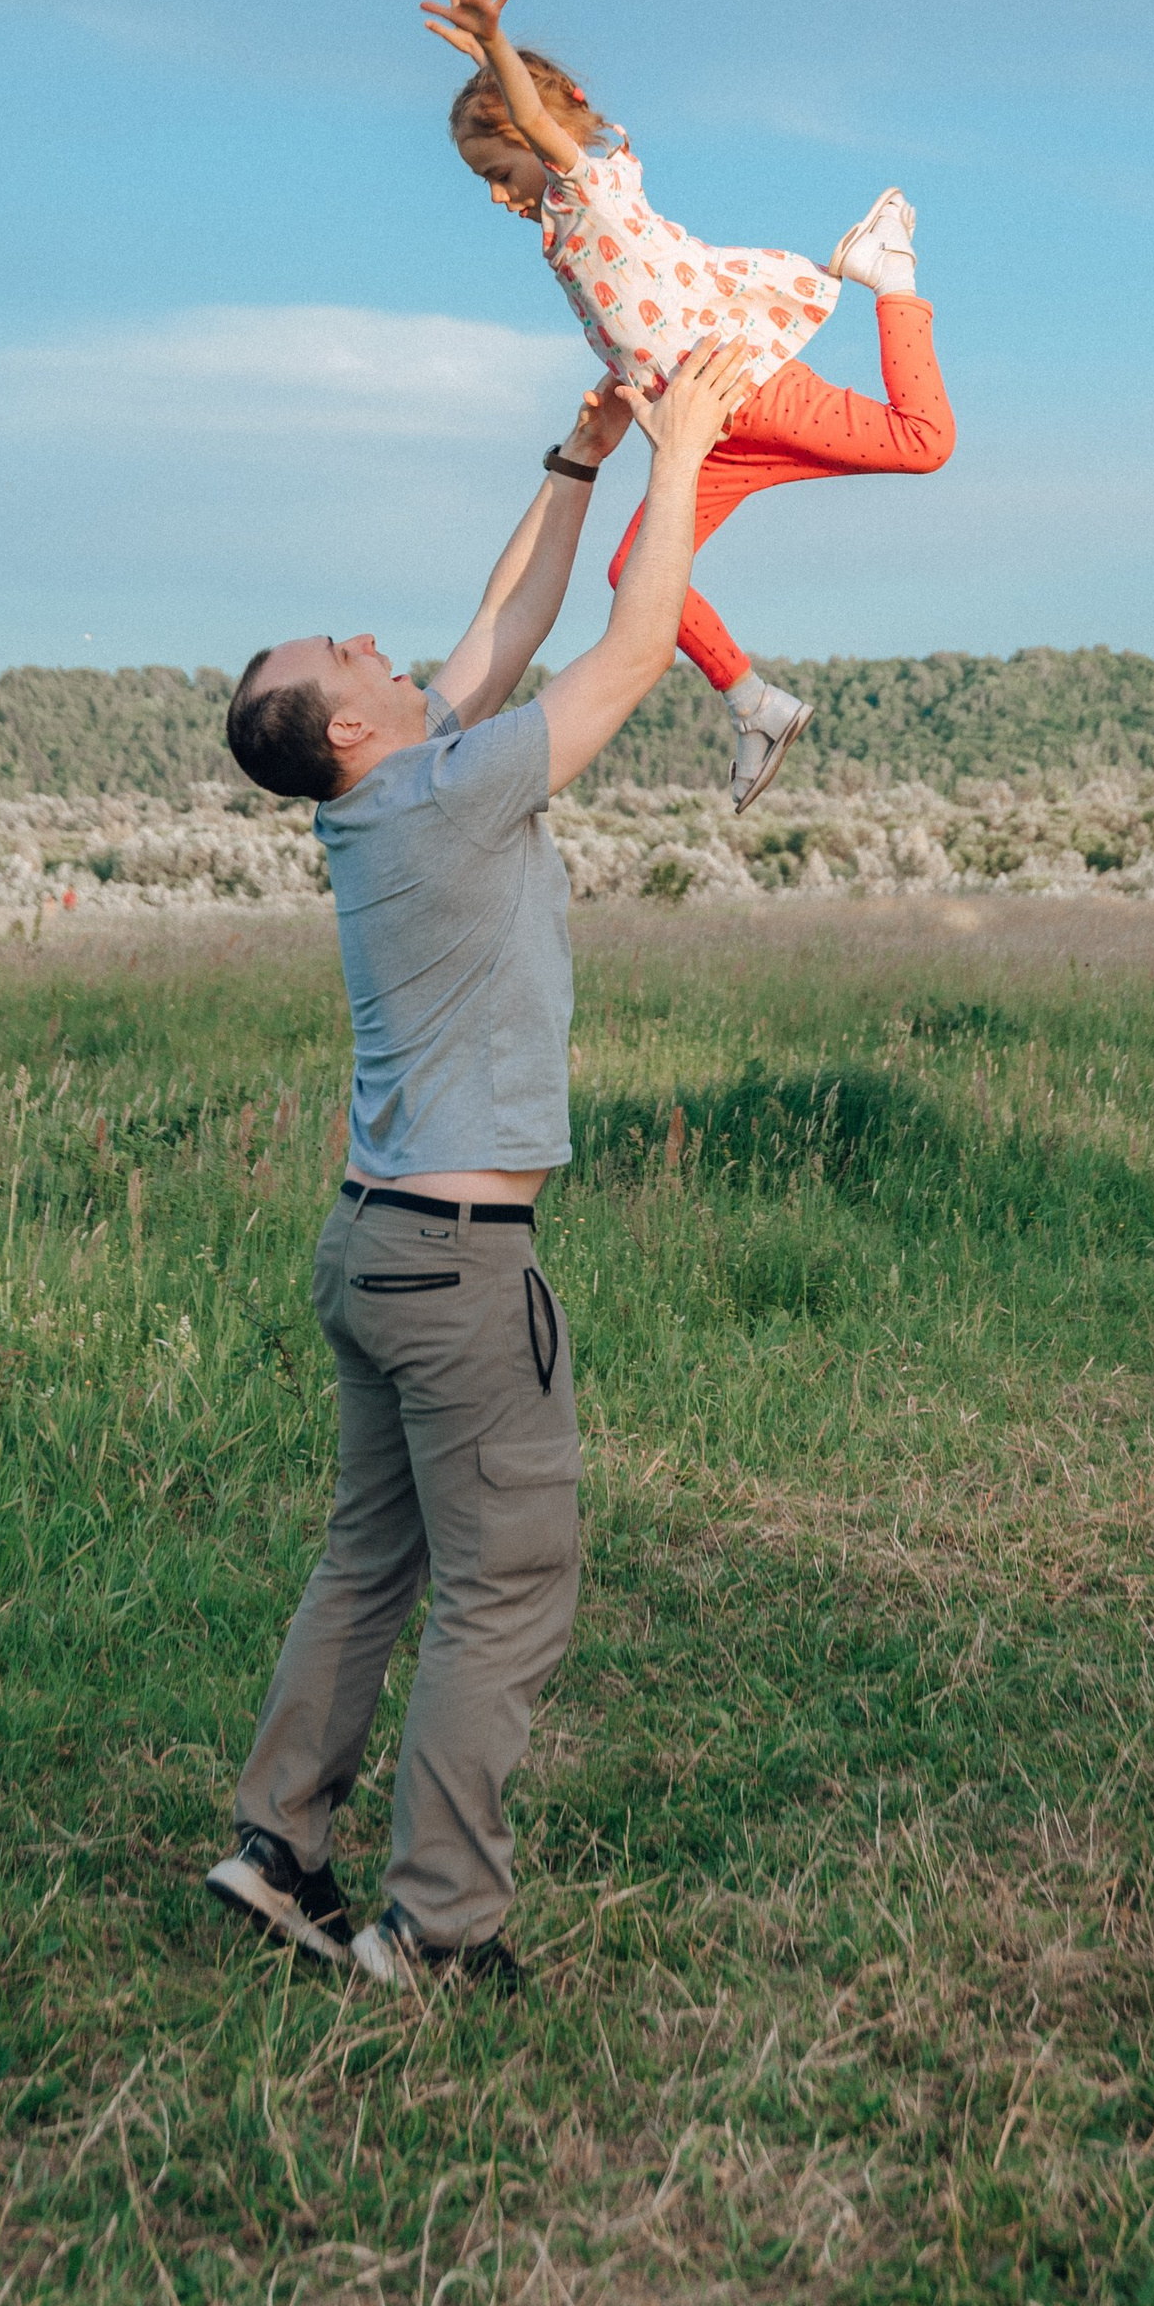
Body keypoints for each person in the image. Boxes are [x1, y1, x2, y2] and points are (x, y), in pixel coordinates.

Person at [204, 332, 756, 1991]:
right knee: (505, 1590)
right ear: (349, 724)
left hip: (373, 1245)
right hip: (454, 1263)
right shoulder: (439, 795)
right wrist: (686, 446)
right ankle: (439, 1930)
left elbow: (508, 627)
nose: (381, 639)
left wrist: (577, 455)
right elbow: (632, 642)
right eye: (349, 651)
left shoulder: (386, 789)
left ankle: (278, 1840)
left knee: (371, 1556)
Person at [421, 0, 956, 813]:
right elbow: (640, 318)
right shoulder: (574, 227)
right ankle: (756, 707)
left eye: (499, 171)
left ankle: (889, 270)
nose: (494, 196)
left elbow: (533, 116)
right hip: (699, 429)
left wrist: (496, 50)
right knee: (637, 568)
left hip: (749, 390)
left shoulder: (589, 190)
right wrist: (615, 389)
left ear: (537, 140)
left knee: (923, 443)